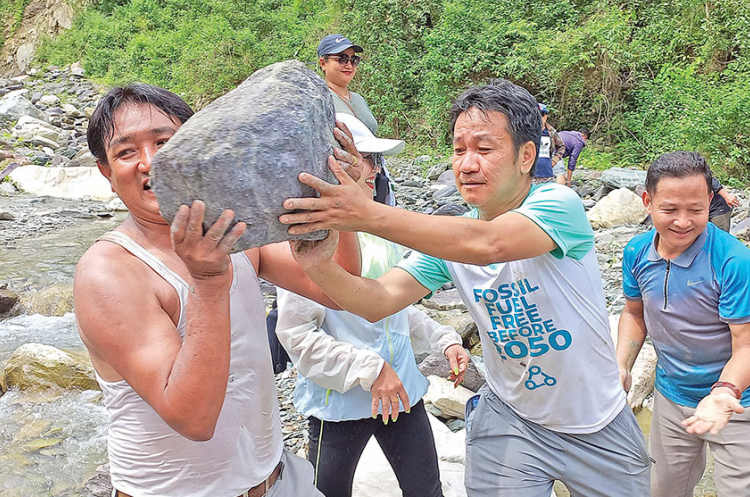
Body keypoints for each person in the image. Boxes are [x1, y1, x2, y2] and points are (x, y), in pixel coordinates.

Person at [278, 80, 650, 496]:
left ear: (527, 156)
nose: (467, 164)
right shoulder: (448, 240)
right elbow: (377, 300)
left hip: (596, 420)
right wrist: (318, 266)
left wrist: (365, 214)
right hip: (511, 420)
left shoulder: (557, 205)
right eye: (458, 150)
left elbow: (489, 245)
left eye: (484, 149)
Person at [73, 82, 363, 496]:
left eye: (165, 143)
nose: (150, 162)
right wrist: (208, 284)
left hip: (274, 479)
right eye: (126, 152)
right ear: (107, 174)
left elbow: (341, 287)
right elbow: (192, 419)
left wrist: (336, 202)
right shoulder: (109, 272)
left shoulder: (234, 233)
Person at [275, 113, 469, 497]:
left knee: (426, 491)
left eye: (374, 160)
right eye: (364, 158)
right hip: (341, 407)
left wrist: (444, 339)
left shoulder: (383, 237)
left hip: (402, 397)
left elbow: (397, 307)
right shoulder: (307, 243)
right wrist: (371, 369)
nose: (374, 171)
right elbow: (297, 337)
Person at [617, 151, 750, 497]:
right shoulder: (637, 253)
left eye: (696, 210)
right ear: (647, 201)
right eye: (670, 210)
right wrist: (622, 366)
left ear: (710, 201)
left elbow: (747, 347)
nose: (683, 222)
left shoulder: (735, 262)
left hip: (738, 400)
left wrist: (723, 393)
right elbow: (633, 314)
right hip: (673, 395)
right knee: (662, 490)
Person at [317, 33, 398, 206]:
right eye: (341, 59)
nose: (349, 65)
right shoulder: (319, 99)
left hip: (373, 172)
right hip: (344, 176)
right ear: (323, 63)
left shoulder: (358, 98)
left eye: (353, 60)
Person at [531, 103, 565, 185]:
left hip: (547, 173)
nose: (539, 118)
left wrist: (555, 160)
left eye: (541, 114)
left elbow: (561, 146)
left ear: (546, 116)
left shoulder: (551, 132)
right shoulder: (529, 131)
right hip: (530, 175)